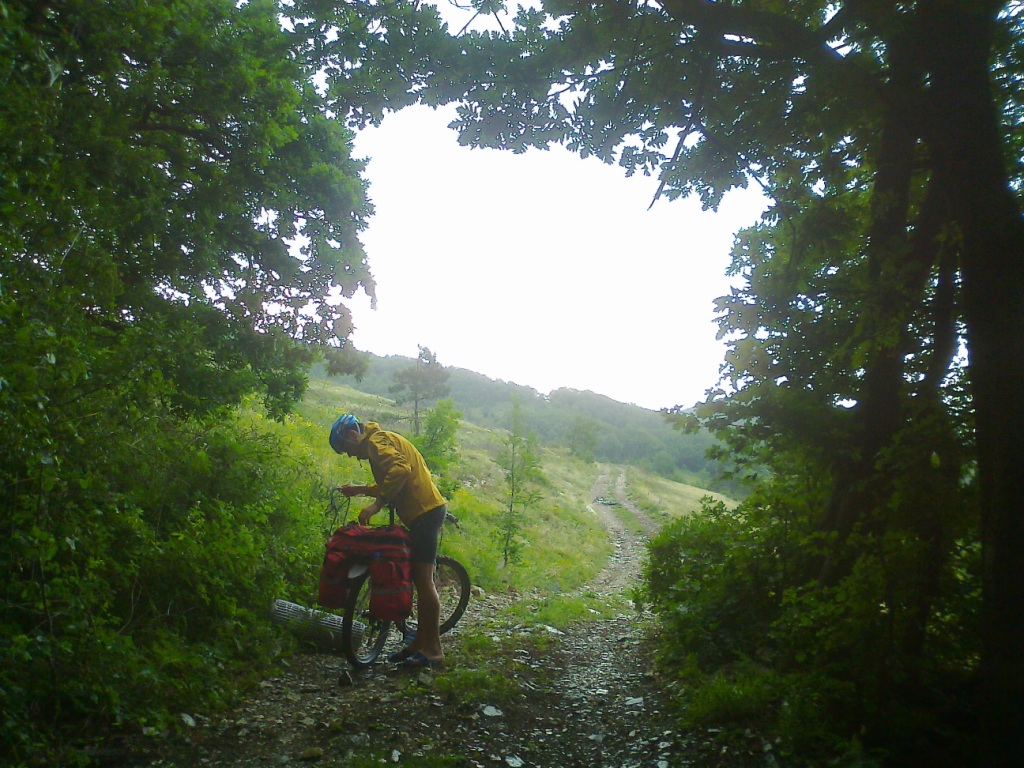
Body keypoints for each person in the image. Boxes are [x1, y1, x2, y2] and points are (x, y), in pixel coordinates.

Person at [329, 413, 448, 668]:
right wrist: (360, 490)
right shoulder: (377, 442)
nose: (349, 454)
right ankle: (419, 642)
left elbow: (401, 470)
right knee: (417, 576)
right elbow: (390, 479)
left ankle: (434, 650)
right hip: (421, 512)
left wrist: (377, 505)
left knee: (424, 581)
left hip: (425, 512)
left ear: (353, 434)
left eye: (346, 448)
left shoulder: (376, 442)